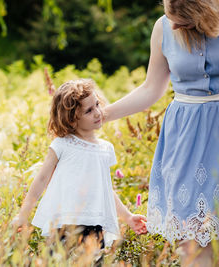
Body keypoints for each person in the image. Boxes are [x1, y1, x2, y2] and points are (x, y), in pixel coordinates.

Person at [103, 0, 219, 265]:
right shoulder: (163, 28)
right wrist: (103, 115)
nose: (174, 24)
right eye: (170, 16)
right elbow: (150, 89)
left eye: (182, 19)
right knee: (191, 236)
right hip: (184, 140)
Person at [12, 79, 147, 263]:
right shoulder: (62, 145)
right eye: (88, 111)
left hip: (94, 224)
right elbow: (41, 179)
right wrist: (23, 215)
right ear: (71, 119)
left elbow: (106, 190)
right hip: (63, 223)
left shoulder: (104, 149)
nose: (98, 113)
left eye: (97, 105)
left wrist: (128, 217)